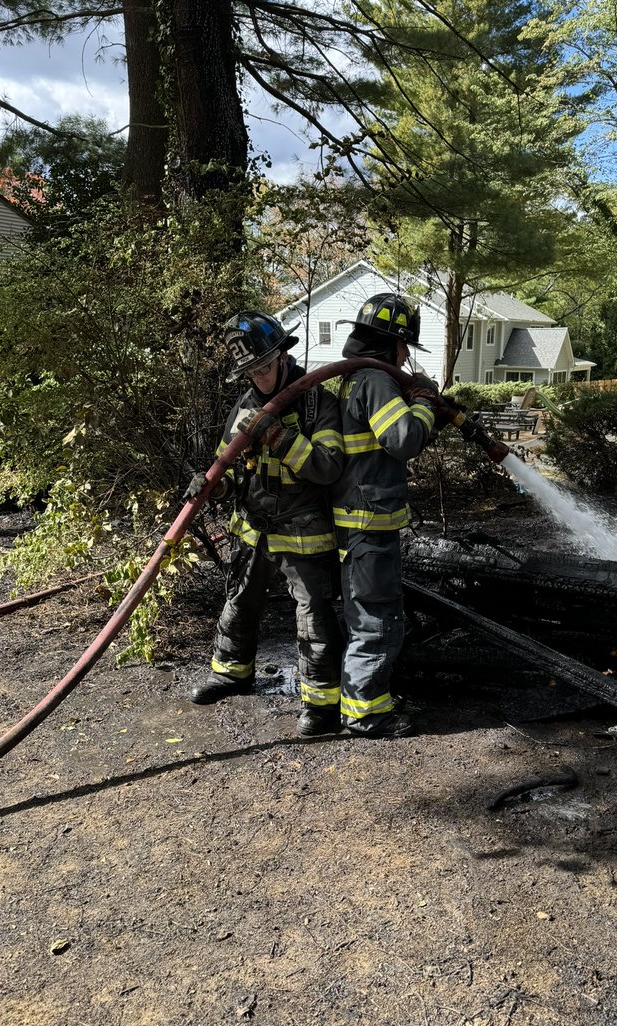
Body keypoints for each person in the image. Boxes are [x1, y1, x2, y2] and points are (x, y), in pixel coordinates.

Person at [185, 310, 345, 737]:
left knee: (313, 616)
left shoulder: (318, 402)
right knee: (239, 601)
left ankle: (321, 705)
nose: (258, 378)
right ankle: (232, 673)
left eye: (264, 367)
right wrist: (208, 486)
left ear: (282, 356)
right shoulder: (244, 406)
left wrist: (278, 436)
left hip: (304, 527)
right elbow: (227, 467)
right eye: (250, 372)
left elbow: (328, 467)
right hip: (254, 526)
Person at [332, 292, 445, 738]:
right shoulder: (376, 381)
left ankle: (360, 704)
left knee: (364, 614)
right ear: (392, 343)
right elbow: (403, 439)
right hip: (368, 522)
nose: (405, 355)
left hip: (353, 520)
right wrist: (425, 403)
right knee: (377, 619)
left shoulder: (351, 378)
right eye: (404, 347)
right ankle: (365, 714)